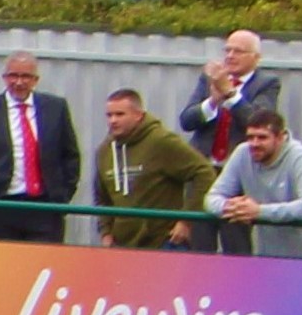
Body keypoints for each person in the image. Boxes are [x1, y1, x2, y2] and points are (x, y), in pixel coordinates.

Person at [0, 52, 83, 241]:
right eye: (13, 76)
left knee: (44, 259)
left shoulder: (55, 108)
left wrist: (63, 195)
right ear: (4, 78)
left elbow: (70, 155)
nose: (18, 82)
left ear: (35, 80)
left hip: (45, 208)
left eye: (25, 76)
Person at [210, 103, 302, 259]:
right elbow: (212, 197)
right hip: (271, 256)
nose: (254, 144)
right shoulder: (242, 153)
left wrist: (259, 211)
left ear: (280, 137)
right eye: (250, 137)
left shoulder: (300, 156)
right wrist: (232, 208)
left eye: (262, 137)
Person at [90, 87, 215, 248]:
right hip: (122, 245)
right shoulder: (104, 151)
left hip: (164, 242)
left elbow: (204, 172)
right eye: (109, 115)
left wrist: (186, 221)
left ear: (138, 115)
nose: (113, 120)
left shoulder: (161, 141)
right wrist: (106, 233)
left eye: (120, 114)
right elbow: (102, 198)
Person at [178, 30, 272, 160]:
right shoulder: (211, 78)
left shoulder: (267, 83)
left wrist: (231, 94)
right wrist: (212, 102)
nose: (230, 56)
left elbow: (260, 124)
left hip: (240, 163)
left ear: (256, 58)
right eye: (227, 50)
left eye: (238, 51)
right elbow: (186, 122)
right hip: (202, 162)